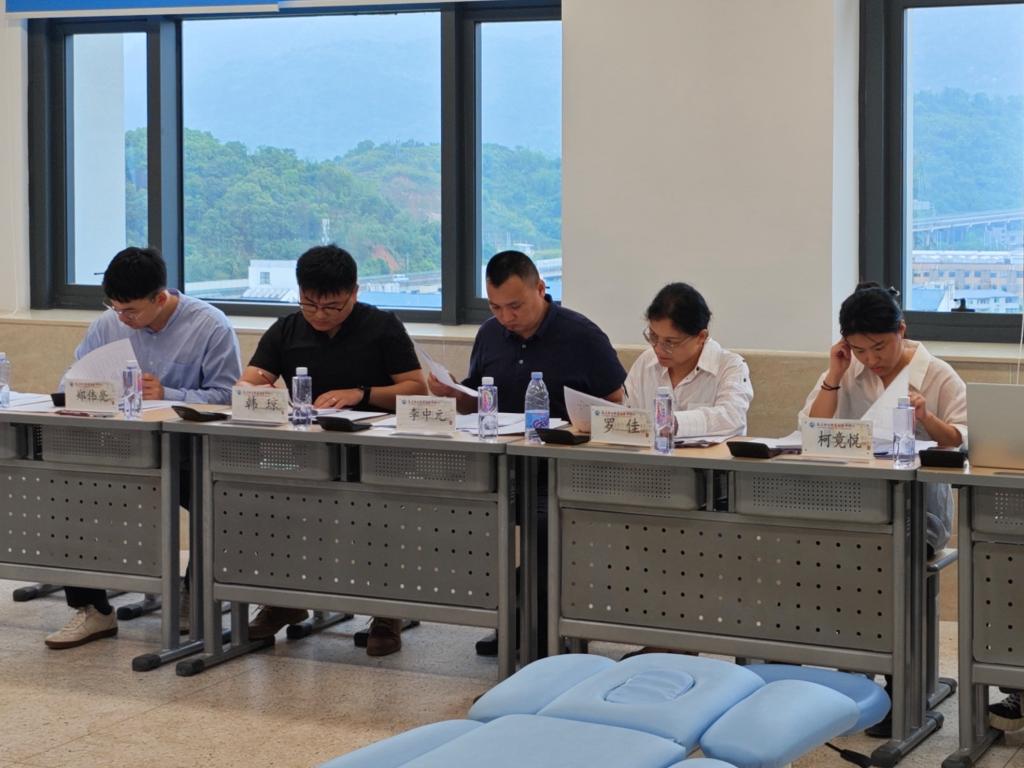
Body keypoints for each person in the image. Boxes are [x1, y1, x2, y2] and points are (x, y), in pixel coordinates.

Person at [428, 250, 626, 656]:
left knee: (542, 526)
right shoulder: (489, 334)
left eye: (515, 306)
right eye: (495, 307)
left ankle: (536, 625)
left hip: (563, 474)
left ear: (541, 289)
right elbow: (474, 400)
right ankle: (511, 617)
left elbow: (616, 405)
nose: (506, 317)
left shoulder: (582, 335)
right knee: (469, 518)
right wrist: (451, 393)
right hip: (503, 468)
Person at [46, 246, 241, 650]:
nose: (123, 318)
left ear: (160, 297)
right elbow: (72, 381)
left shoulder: (210, 325)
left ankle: (194, 592)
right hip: (119, 448)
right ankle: (93, 609)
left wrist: (168, 393)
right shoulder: (108, 324)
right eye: (115, 307)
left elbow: (226, 396)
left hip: (188, 454)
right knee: (69, 492)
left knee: (216, 502)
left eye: (131, 311)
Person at [238, 244, 427, 656]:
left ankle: (387, 611)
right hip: (307, 452)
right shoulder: (286, 329)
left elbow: (416, 388)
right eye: (310, 304)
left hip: (377, 454)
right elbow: (249, 382)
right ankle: (284, 600)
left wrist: (361, 393)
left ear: (354, 293)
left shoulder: (382, 326)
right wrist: (255, 391)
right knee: (269, 504)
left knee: (378, 518)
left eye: (332, 306)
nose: (320, 315)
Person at [801, 282, 967, 738]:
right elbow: (812, 428)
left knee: (885, 569)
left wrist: (926, 418)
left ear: (901, 331)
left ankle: (901, 687)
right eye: (859, 349)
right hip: (855, 507)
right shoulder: (847, 370)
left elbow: (962, 441)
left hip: (920, 515)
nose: (871, 359)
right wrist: (835, 373)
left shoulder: (938, 375)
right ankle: (855, 680)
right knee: (829, 562)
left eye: (879, 347)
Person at [624, 282, 752, 437]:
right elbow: (626, 413)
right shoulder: (646, 362)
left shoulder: (730, 366)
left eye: (670, 342)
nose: (658, 349)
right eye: (653, 336)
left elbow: (732, 418)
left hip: (710, 454)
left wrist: (672, 423)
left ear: (701, 337)